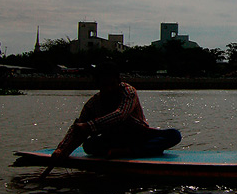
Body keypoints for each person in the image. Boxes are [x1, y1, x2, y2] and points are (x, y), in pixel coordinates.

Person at [39, 64, 181, 180]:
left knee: (174, 135)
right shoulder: (93, 104)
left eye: (112, 84)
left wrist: (89, 126)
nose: (109, 89)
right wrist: (61, 149)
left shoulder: (128, 92)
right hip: (112, 139)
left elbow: (120, 115)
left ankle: (128, 152)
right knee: (88, 146)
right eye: (104, 85)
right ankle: (126, 151)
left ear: (118, 81)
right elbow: (77, 128)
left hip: (137, 136)